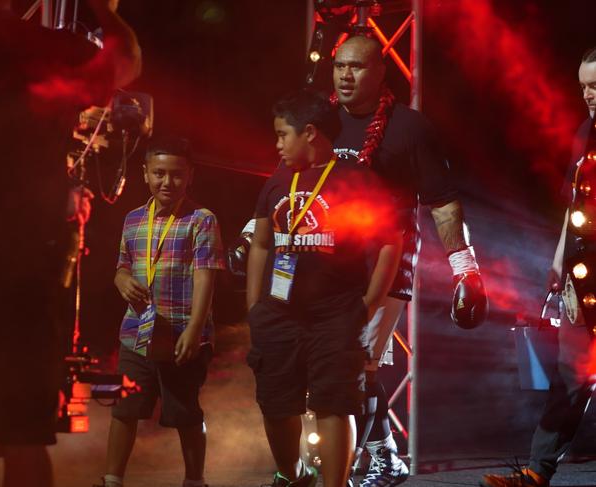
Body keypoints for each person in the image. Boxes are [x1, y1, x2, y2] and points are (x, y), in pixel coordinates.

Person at [0, 1, 141, 486]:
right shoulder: (37, 46)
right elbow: (124, 64)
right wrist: (103, 9)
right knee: (22, 433)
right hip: (21, 262)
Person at [330, 35, 488, 487]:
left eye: (357, 67)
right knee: (328, 362)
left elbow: (442, 202)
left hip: (386, 261)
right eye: (339, 66)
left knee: (357, 363)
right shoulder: (320, 122)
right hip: (326, 260)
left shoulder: (410, 128)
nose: (345, 75)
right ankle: (368, 456)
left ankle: (383, 458)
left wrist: (466, 270)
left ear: (381, 72)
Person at [247, 89, 403, 487]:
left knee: (334, 403)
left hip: (335, 314)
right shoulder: (278, 180)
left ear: (310, 133)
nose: (277, 143)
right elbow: (262, 243)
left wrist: (369, 301)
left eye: (283, 134)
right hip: (278, 315)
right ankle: (292, 474)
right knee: (277, 404)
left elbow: (390, 241)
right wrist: (255, 306)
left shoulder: (356, 179)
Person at [479, 47, 596, 487]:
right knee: (570, 373)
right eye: (584, 86)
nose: (588, 94)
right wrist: (556, 260)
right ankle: (537, 472)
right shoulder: (585, 132)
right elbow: (573, 206)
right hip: (582, 274)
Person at [94, 139, 225, 487]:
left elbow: (206, 276)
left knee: (184, 412)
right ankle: (111, 480)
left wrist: (195, 329)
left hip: (182, 332)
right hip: (136, 333)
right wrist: (121, 279)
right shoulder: (133, 218)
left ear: (190, 176)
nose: (167, 182)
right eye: (159, 173)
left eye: (177, 175)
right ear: (145, 174)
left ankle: (194, 480)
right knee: (125, 409)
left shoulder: (201, 220)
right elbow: (122, 265)